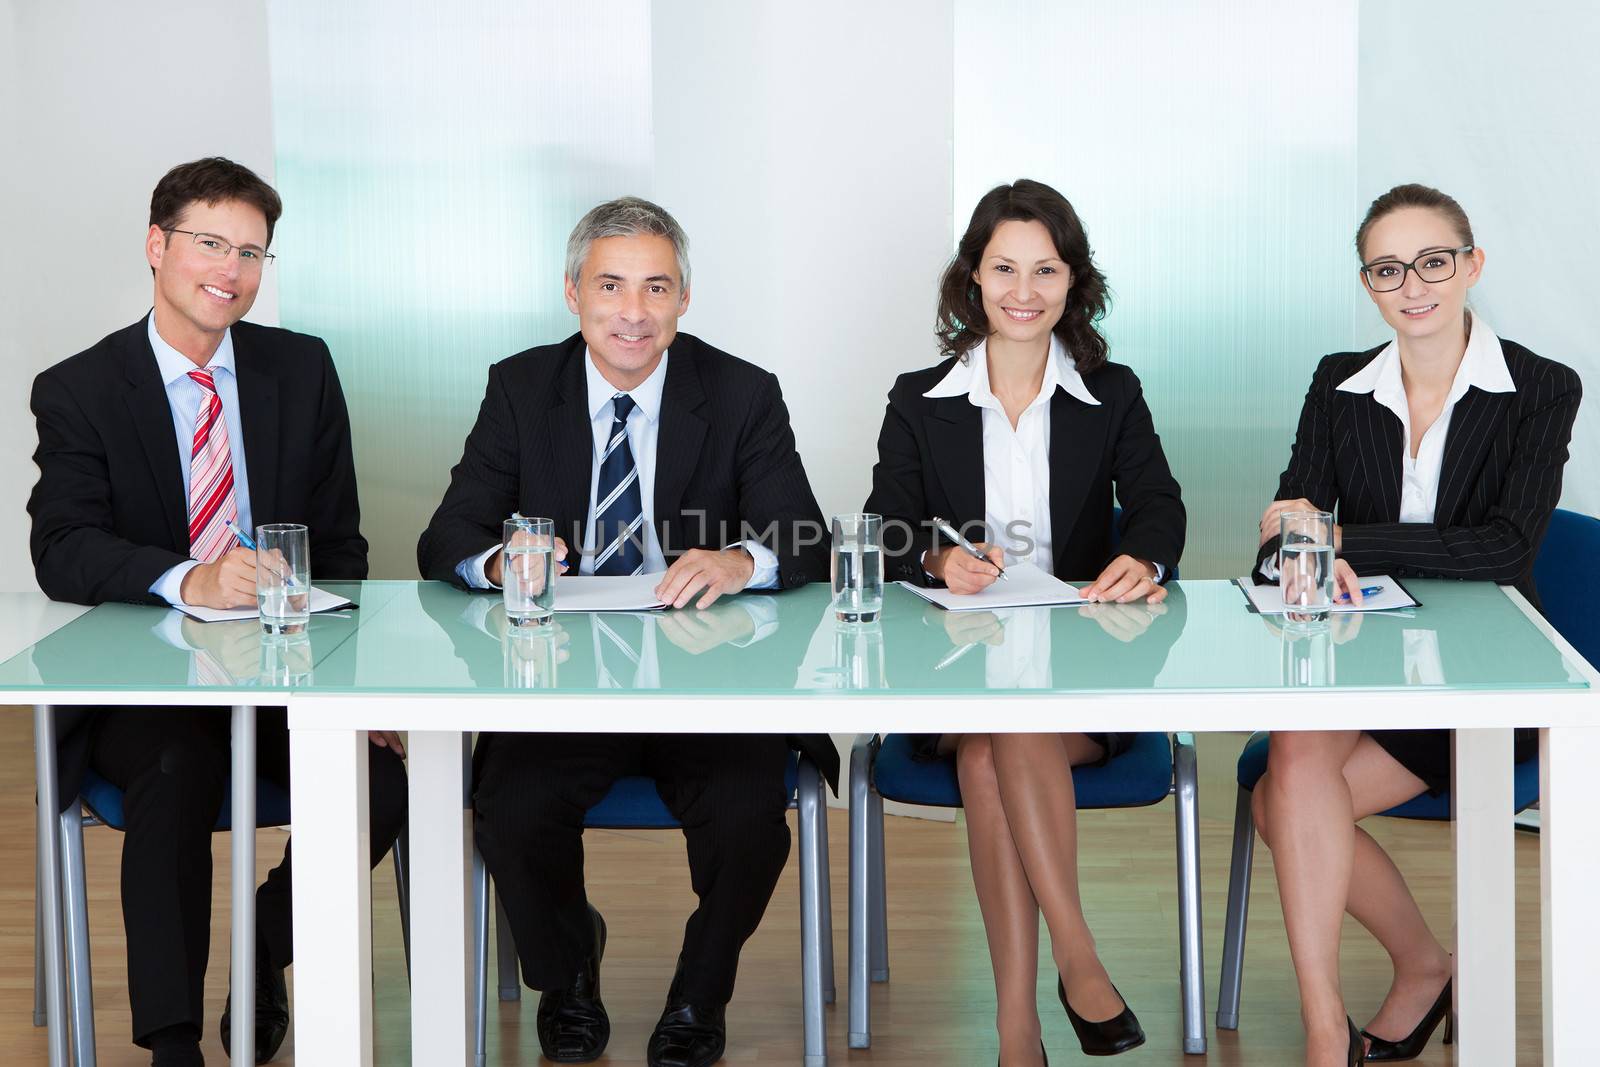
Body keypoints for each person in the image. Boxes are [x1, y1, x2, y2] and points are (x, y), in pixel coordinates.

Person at [416, 196, 837, 1067]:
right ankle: (568, 972)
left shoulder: (742, 391)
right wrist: (503, 561)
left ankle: (699, 990)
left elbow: (805, 534)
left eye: (657, 287)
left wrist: (739, 561)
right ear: (573, 293)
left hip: (710, 677)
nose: (634, 312)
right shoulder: (521, 387)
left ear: (685, 298)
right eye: (611, 286)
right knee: (512, 805)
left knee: (748, 812)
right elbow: (445, 537)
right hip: (567, 680)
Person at [26, 157, 409, 1067]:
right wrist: (187, 579)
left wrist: (363, 688)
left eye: (251, 252)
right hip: (144, 689)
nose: (229, 271)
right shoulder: (79, 387)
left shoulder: (301, 368)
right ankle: (173, 1042)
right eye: (209, 243)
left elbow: (343, 551)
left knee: (389, 780)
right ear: (157, 246)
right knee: (173, 766)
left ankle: (263, 954)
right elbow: (63, 547)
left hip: (285, 671)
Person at [1250, 182, 1581, 1067]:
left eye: (1434, 261)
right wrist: (1291, 547)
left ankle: (1416, 972)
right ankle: (1335, 1026)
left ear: (1471, 265)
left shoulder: (1541, 388)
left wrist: (1341, 534)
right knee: (1293, 758)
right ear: (1369, 284)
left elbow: (1507, 546)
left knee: (1281, 799)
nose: (1414, 284)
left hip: (1479, 671)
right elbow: (1291, 519)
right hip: (1362, 654)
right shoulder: (1338, 381)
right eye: (1389, 268)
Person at [864, 179, 1186, 1066]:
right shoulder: (918, 397)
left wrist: (1145, 558)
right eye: (1004, 267)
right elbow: (884, 523)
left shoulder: (1110, 393)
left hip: (1083, 669)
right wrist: (934, 558)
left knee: (988, 751)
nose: (1024, 288)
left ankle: (1018, 1033)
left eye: (1046, 269)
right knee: (987, 727)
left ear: (1074, 282)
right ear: (972, 278)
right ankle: (1079, 962)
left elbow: (1159, 504)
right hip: (956, 666)